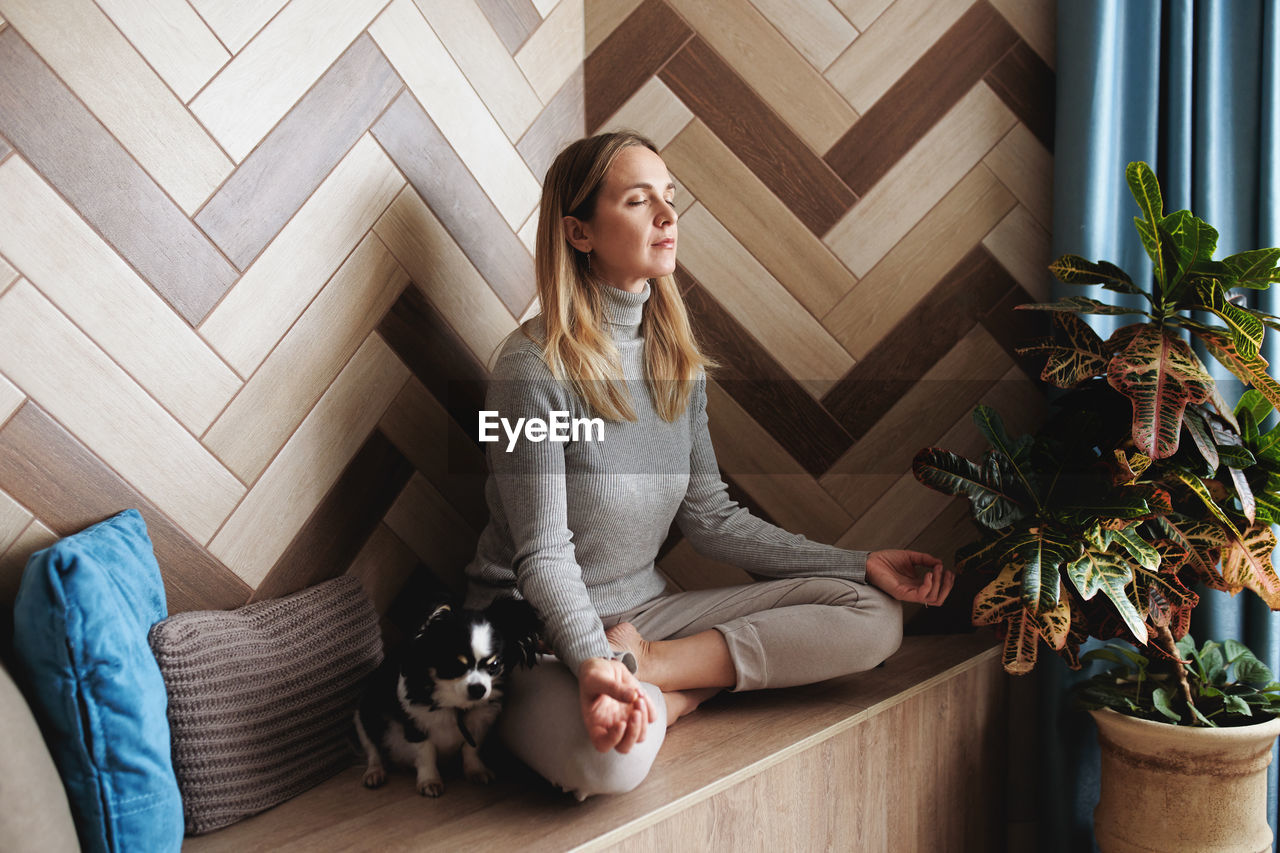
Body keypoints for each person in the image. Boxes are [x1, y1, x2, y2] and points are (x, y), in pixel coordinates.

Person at [462, 130, 956, 799]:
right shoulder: (530, 370)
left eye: (669, 199)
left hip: (645, 620)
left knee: (873, 613)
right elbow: (543, 556)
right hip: (533, 634)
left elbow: (711, 518)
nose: (667, 217)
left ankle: (658, 668)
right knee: (611, 765)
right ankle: (676, 693)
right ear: (579, 233)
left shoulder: (674, 360)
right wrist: (596, 664)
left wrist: (857, 562)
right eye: (639, 202)